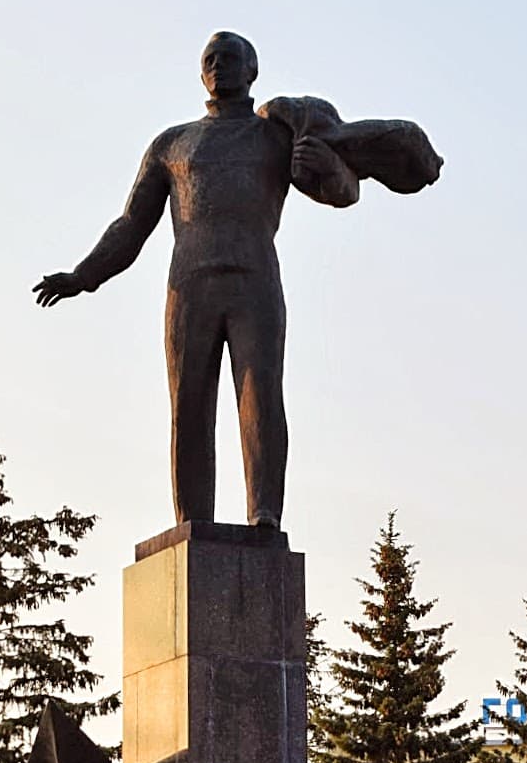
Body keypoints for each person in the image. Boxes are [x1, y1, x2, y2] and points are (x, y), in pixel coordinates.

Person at [35, 32, 359, 530]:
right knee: (188, 406)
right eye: (210, 59)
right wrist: (84, 275)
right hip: (189, 290)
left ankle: (264, 514)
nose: (219, 66)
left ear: (252, 70)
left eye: (230, 58)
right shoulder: (172, 145)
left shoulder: (275, 136)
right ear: (200, 73)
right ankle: (191, 521)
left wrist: (328, 172)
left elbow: (343, 192)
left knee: (261, 398)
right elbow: (130, 224)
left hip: (255, 284)